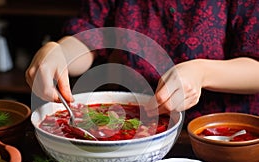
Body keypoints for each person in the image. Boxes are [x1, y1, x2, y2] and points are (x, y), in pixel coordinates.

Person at [25, 0, 259, 125]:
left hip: (216, 137)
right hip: (126, 123)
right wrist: (58, 52)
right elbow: (89, 36)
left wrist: (202, 72)